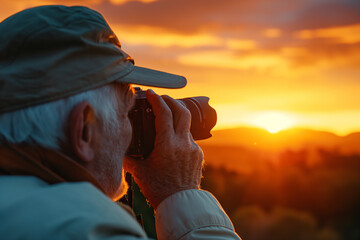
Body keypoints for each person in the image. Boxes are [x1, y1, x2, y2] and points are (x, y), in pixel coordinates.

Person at [0, 5, 241, 240]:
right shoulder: (88, 228)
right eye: (126, 110)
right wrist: (182, 194)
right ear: (85, 130)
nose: (130, 131)